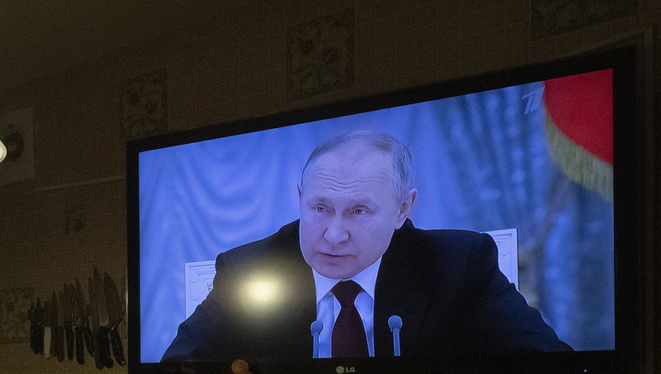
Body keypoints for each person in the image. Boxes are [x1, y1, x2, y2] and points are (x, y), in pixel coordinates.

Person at [161, 130, 570, 362]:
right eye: (319, 207)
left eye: (359, 211)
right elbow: (177, 369)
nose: (334, 234)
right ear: (301, 196)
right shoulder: (248, 269)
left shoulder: (459, 264)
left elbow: (553, 365)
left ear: (402, 209)